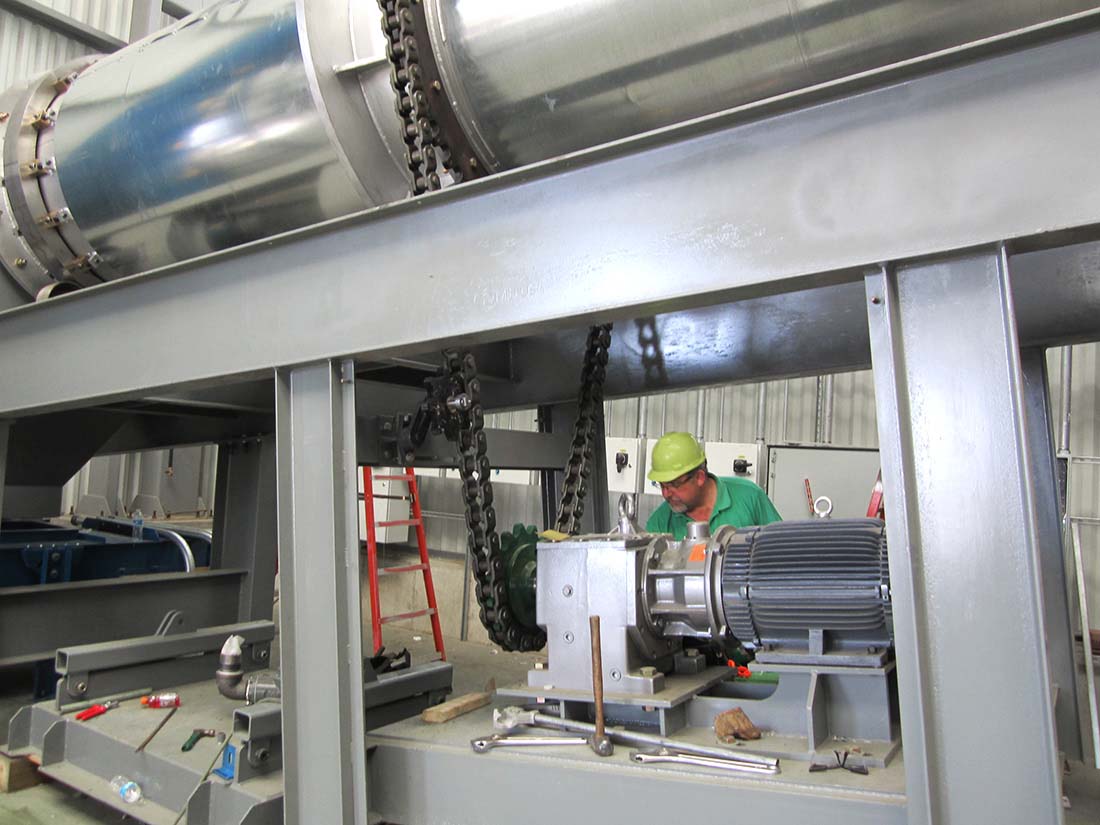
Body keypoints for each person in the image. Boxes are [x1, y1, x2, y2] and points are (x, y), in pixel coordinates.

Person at [645, 432, 781, 538]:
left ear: (699, 477)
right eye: (662, 486)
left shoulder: (750, 497)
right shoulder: (659, 523)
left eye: (674, 485)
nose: (666, 494)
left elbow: (782, 550)